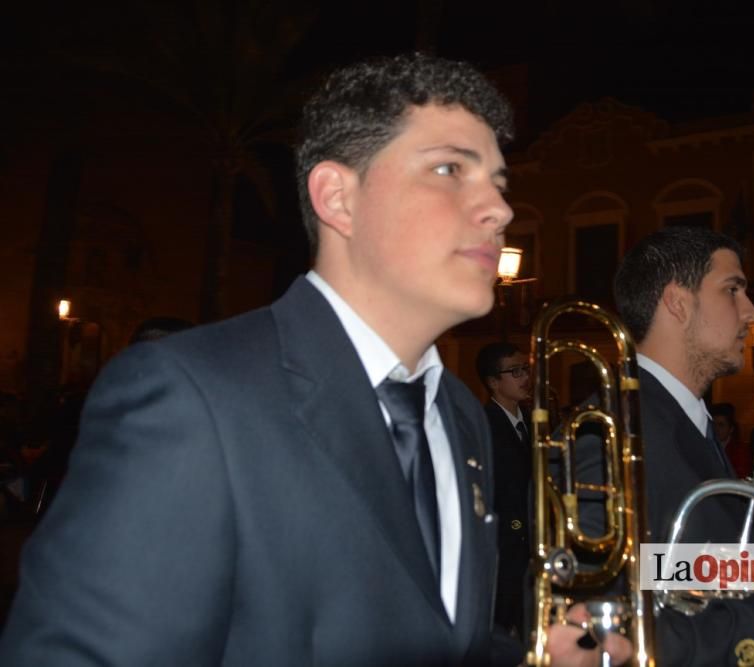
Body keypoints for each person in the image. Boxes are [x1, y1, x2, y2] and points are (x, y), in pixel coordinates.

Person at [0, 53, 627, 667]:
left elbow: (435, 639)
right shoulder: (191, 395)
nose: (501, 209)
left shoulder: (458, 416)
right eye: (448, 170)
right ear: (338, 198)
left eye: (497, 181)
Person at [574, 225, 754, 665]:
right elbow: (601, 631)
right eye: (733, 290)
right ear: (677, 302)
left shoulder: (680, 419)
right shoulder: (608, 432)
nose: (750, 312)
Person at [475, 341, 532, 639]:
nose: (525, 377)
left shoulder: (537, 422)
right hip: (505, 551)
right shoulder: (483, 425)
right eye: (515, 371)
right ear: (493, 382)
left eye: (526, 368)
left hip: (532, 548)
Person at [709, 402, 752, 479]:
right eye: (713, 424)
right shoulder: (707, 446)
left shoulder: (739, 451)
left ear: (731, 429)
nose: (716, 429)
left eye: (721, 425)